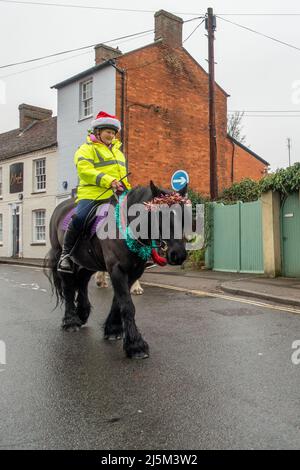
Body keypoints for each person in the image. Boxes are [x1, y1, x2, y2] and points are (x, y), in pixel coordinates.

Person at [57, 111, 131, 273]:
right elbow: (85, 171)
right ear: (98, 131)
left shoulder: (118, 152)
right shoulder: (86, 149)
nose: (111, 135)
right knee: (80, 218)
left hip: (116, 195)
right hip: (92, 195)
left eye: (113, 132)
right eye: (108, 132)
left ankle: (140, 254)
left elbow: (122, 177)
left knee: (135, 216)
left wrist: (128, 191)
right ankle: (66, 255)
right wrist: (109, 181)